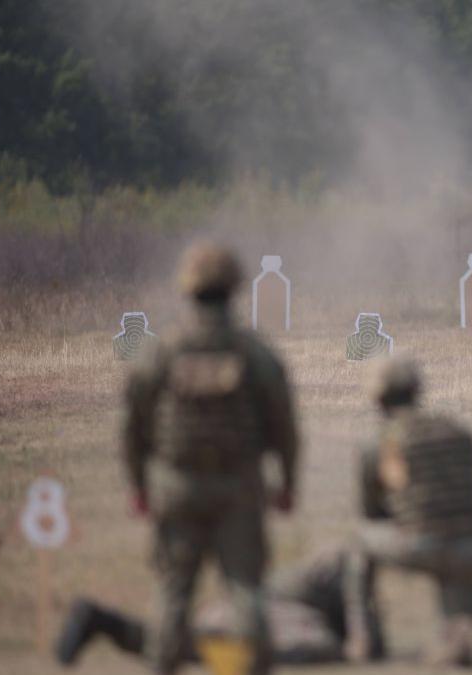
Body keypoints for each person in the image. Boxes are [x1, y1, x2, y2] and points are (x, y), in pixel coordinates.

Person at [123, 242, 299, 674]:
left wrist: (139, 486)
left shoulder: (162, 352)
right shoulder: (252, 352)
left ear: (187, 288)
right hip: (239, 489)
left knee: (172, 592)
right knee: (245, 592)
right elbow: (283, 425)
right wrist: (288, 483)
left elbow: (135, 425)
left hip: (176, 489)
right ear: (235, 287)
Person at [349, 356, 472, 666]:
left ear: (379, 399)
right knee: (456, 556)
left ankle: (364, 637)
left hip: (421, 541)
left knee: (358, 542)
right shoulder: (458, 432)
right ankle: (458, 630)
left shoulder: (380, 442)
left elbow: (370, 509)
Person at [55, 543, 384, 666]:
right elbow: (352, 561)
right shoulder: (322, 584)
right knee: (196, 648)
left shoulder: (314, 617)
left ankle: (108, 623)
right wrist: (361, 635)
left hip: (238, 614)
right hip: (251, 615)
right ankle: (109, 624)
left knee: (189, 647)